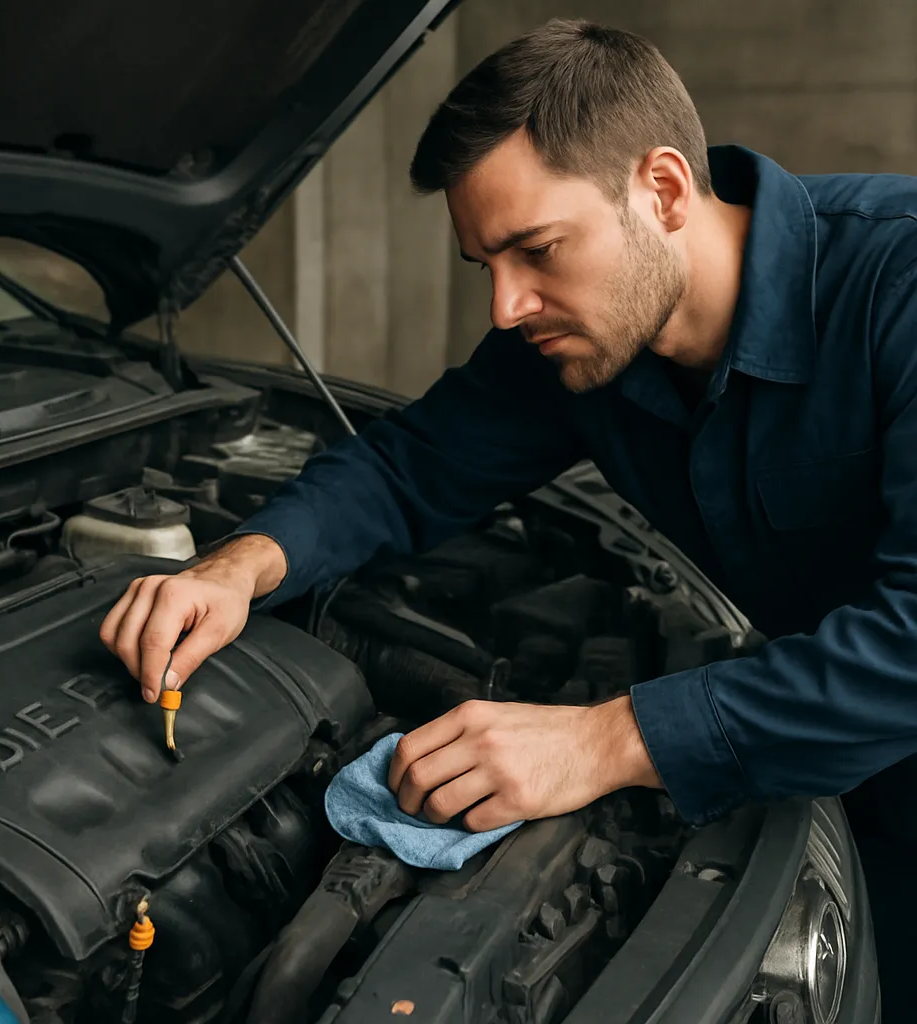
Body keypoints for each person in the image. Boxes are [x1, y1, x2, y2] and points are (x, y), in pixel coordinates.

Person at [100, 19, 916, 1016]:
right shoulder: (580, 342)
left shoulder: (898, 285)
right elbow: (408, 466)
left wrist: (602, 740)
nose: (505, 305)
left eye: (535, 249)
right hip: (840, 791)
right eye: (484, 263)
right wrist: (240, 567)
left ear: (661, 189)